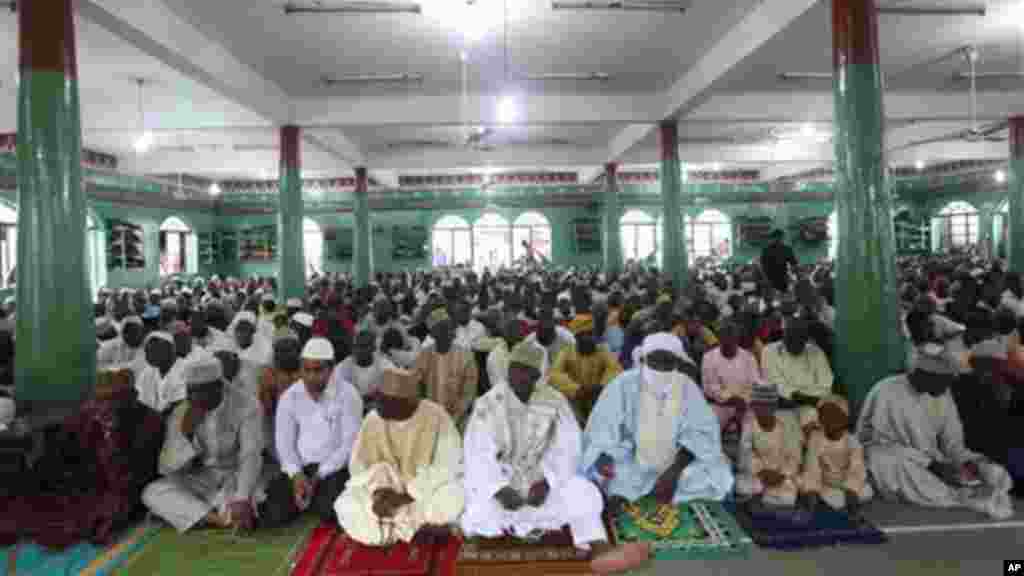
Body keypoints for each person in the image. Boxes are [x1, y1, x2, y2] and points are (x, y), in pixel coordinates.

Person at [462, 342, 648, 574]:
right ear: (508, 369)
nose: (519, 376)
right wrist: (499, 489)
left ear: (538, 376)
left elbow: (568, 447)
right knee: (477, 509)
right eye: (516, 368)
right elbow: (477, 454)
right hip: (503, 484)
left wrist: (547, 481)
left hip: (542, 483)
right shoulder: (488, 405)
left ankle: (601, 550)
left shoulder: (554, 401)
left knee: (583, 491)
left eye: (527, 371)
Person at [856, 310, 1015, 519]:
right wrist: (931, 465)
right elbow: (874, 443)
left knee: (993, 473)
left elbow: (953, 443)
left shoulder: (943, 395)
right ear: (926, 374)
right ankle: (961, 497)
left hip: (930, 461)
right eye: (945, 381)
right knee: (890, 462)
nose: (948, 387)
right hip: (887, 462)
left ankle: (967, 490)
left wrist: (969, 462)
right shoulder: (886, 391)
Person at [0, 368, 163, 549]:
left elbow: (138, 474)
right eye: (99, 400)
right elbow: (59, 458)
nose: (104, 406)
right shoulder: (86, 416)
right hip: (83, 485)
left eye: (112, 399)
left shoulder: (149, 421)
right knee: (29, 502)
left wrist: (111, 436)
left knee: (101, 515)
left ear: (131, 396)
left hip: (123, 488)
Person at [582, 333, 734, 510]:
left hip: (678, 462)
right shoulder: (624, 384)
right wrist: (603, 457)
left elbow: (701, 434)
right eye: (655, 361)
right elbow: (603, 427)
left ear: (677, 363)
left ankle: (639, 492)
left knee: (718, 473)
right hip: (632, 459)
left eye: (667, 362)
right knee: (610, 476)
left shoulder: (687, 387)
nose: (660, 368)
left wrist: (673, 473)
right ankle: (625, 492)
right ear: (644, 359)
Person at [335, 365, 464, 545]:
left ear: (407, 401)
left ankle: (395, 528)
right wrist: (379, 493)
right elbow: (358, 466)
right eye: (377, 398)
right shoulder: (373, 419)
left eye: (383, 400)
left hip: (422, 492)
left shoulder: (435, 415)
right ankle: (412, 528)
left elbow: (449, 463)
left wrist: (408, 495)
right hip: (384, 494)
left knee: (454, 495)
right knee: (346, 504)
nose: (376, 405)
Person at [142, 354, 266, 532]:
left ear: (218, 387)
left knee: (255, 498)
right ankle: (220, 519)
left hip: (235, 476)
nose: (191, 397)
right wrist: (188, 435)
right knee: (152, 493)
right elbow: (169, 468)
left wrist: (242, 497)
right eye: (189, 391)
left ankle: (211, 512)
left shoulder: (247, 406)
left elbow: (251, 455)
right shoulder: (183, 412)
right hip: (201, 478)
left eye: (197, 391)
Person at [263, 338, 362, 526]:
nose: (311, 377)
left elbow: (349, 445)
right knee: (274, 514)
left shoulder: (348, 395)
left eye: (318, 370)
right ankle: (307, 496)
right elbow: (284, 444)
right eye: (306, 370)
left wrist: (320, 474)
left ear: (331, 368)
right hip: (301, 469)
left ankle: (315, 500)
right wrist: (296, 474)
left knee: (332, 511)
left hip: (334, 469)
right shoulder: (290, 397)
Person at [735, 384, 814, 522]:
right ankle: (766, 503)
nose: (763, 409)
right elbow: (745, 453)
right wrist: (761, 471)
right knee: (741, 486)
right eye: (759, 405)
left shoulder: (787, 423)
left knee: (801, 486)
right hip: (759, 476)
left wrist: (782, 474)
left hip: (783, 475)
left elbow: (794, 456)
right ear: (753, 406)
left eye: (767, 405)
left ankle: (774, 507)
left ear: (774, 406)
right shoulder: (749, 424)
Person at [801, 395, 873, 515]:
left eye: (834, 415)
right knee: (807, 487)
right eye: (824, 415)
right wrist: (812, 490)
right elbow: (811, 468)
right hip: (824, 484)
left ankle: (835, 502)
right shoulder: (815, 439)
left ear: (845, 419)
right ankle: (822, 501)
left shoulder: (852, 441)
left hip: (846, 484)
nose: (829, 419)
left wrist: (851, 490)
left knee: (866, 491)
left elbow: (856, 469)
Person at [762, 315, 834, 432]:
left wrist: (803, 398)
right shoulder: (769, 351)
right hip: (782, 408)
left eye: (799, 340)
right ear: (783, 336)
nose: (794, 343)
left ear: (806, 339)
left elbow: (826, 387)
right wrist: (807, 397)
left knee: (815, 422)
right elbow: (776, 385)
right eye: (790, 339)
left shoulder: (816, 352)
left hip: (812, 407)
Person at [412, 308, 479, 430]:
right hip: (429, 418)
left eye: (449, 328)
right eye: (442, 328)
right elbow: (415, 386)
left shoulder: (466, 357)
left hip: (458, 419)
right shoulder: (424, 356)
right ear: (433, 334)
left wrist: (453, 418)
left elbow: (468, 394)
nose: (448, 331)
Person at [549, 328, 623, 423]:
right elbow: (554, 374)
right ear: (576, 338)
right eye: (583, 335)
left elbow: (615, 369)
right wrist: (576, 389)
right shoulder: (567, 351)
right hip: (575, 398)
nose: (587, 338)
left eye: (590, 334)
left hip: (598, 396)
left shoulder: (602, 350)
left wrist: (602, 386)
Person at [701, 321, 762, 433]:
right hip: (719, 405)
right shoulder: (708, 358)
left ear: (737, 339)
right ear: (719, 338)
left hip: (745, 406)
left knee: (754, 430)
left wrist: (743, 401)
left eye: (732, 337)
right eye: (725, 336)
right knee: (706, 427)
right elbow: (710, 388)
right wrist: (732, 399)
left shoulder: (748, 358)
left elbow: (755, 384)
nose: (728, 340)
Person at [332, 329, 395, 401]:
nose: (360, 350)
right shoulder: (344, 366)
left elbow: (395, 385)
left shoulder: (385, 365)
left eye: (364, 346)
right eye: (357, 346)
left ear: (373, 348)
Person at [135, 332, 185, 413]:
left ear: (170, 350)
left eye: (153, 351)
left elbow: (178, 404)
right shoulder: (147, 372)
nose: (147, 356)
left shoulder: (185, 369)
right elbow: (140, 400)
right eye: (146, 351)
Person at [760, 229, 797, 293]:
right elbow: (794, 265)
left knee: (772, 297)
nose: (778, 239)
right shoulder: (787, 249)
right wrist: (791, 276)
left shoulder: (766, 250)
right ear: (782, 238)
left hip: (771, 280)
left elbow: (762, 266)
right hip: (781, 279)